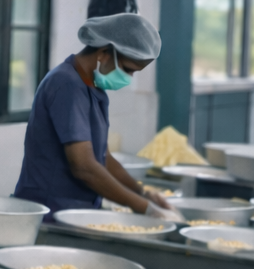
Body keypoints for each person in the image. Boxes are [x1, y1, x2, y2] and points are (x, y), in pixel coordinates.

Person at [14, 13, 183, 221]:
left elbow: (102, 158)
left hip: (74, 212)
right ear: (103, 53)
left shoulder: (93, 89)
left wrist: (143, 193)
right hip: (50, 212)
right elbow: (84, 166)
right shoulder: (67, 85)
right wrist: (143, 207)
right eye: (128, 69)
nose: (129, 79)